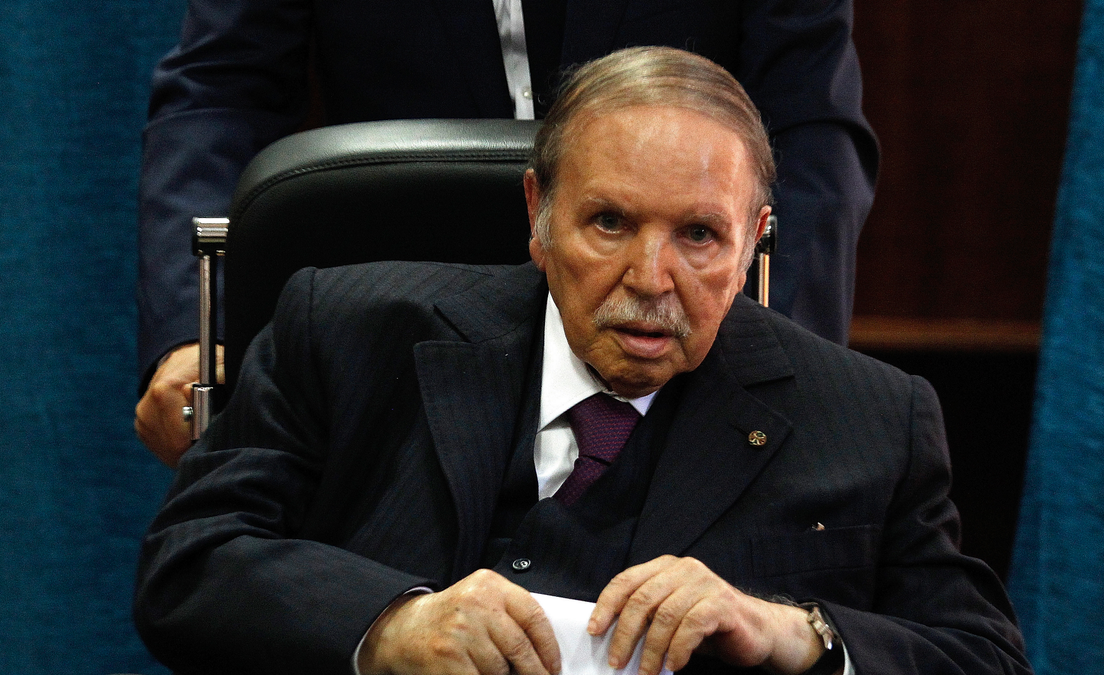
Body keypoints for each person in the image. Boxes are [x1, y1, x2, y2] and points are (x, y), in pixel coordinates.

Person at [134, 47, 1026, 675]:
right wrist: (391, 627)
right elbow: (189, 564)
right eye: (610, 222)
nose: (651, 278)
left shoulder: (871, 418)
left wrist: (792, 633)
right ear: (538, 213)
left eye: (700, 236)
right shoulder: (347, 329)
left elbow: (982, 655)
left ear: (756, 240)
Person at [133, 0, 879, 467]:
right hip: (396, 351)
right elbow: (220, 92)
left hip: (664, 353)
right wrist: (192, 333)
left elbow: (809, 126)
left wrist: (773, 365)